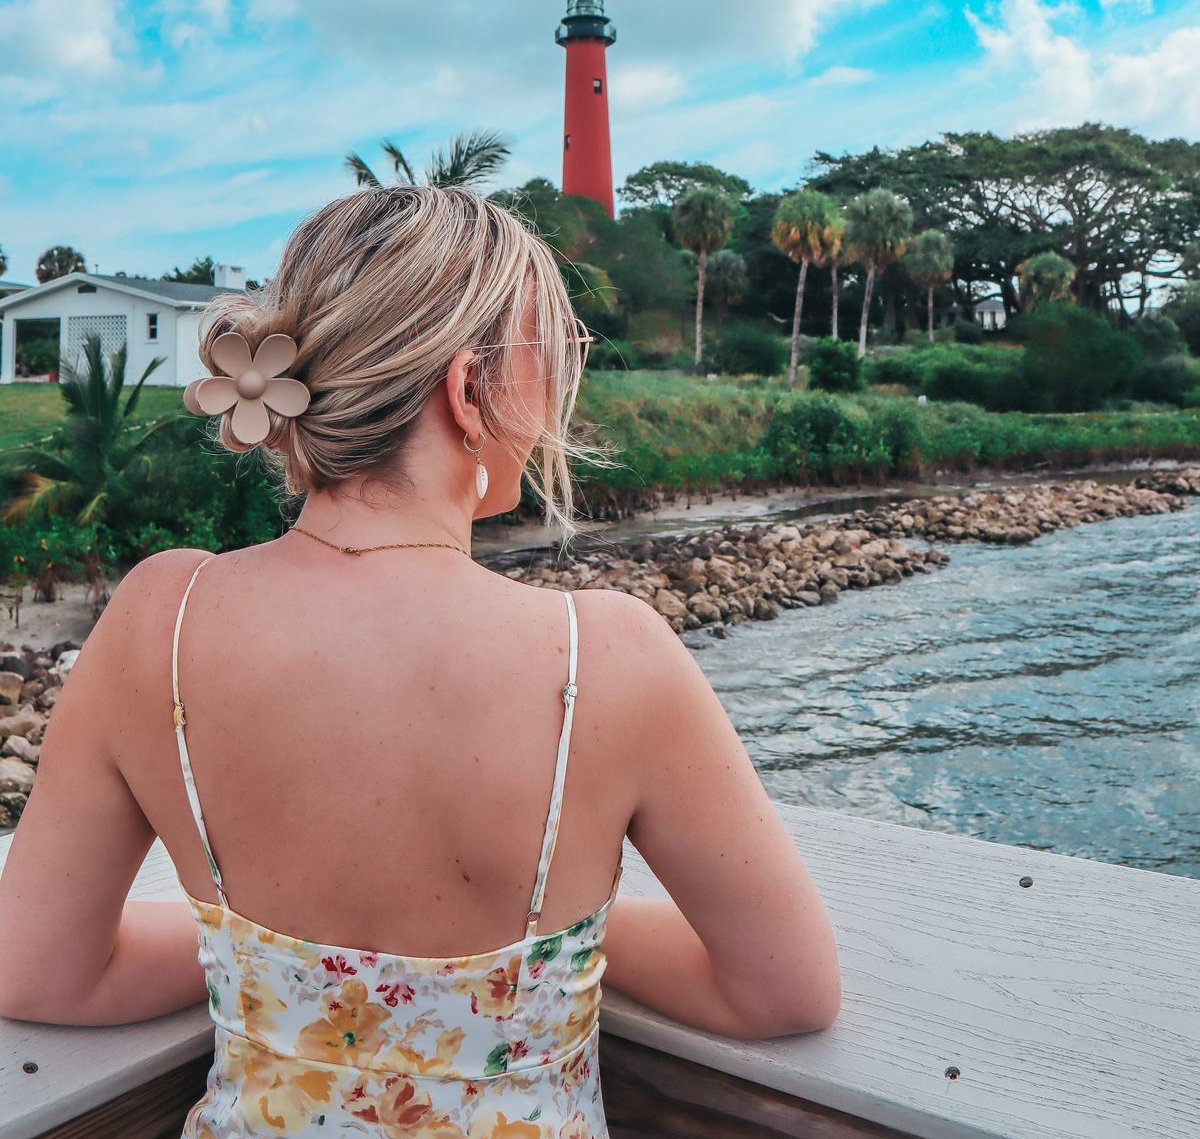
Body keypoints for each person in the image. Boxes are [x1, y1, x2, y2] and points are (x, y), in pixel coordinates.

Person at [0, 185, 840, 1136]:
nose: (561, 396)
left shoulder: (161, 615)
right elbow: (783, 991)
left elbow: (43, 974)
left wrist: (270, 964)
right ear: (465, 389)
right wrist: (556, 952)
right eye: (546, 364)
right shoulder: (605, 655)